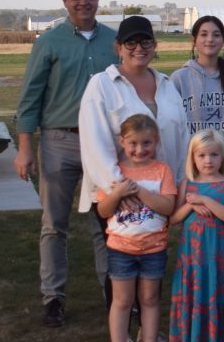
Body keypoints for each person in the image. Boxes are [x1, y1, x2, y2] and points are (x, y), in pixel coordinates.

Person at [15, 0, 117, 327]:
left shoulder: (113, 42)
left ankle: (114, 294)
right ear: (64, 0)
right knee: (54, 224)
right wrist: (26, 147)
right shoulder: (50, 42)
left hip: (103, 142)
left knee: (105, 221)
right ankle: (53, 298)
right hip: (60, 140)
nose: (82, 3)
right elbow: (30, 97)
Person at [78, 15, 189, 213]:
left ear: (154, 46)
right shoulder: (102, 85)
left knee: (157, 244)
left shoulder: (167, 85)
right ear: (118, 48)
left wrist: (177, 187)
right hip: (118, 195)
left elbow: (182, 140)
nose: (139, 48)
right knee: (116, 245)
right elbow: (95, 146)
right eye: (130, 43)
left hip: (160, 193)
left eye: (145, 42)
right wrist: (121, 190)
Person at [96, 114, 178, 342]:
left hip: (154, 249)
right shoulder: (114, 171)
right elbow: (103, 210)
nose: (139, 149)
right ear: (122, 142)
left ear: (156, 141)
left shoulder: (162, 170)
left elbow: (167, 207)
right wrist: (119, 193)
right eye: (132, 143)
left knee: (150, 299)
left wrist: (139, 191)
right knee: (122, 300)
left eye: (146, 143)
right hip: (121, 248)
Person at [167, 129, 224, 342]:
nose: (208, 160)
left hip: (217, 256)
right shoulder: (186, 184)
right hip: (192, 257)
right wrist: (191, 206)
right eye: (202, 155)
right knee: (193, 294)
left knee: (216, 293)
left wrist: (205, 200)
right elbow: (173, 218)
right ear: (193, 158)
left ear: (223, 157)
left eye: (214, 155)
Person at [171, 15, 224, 170]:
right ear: (194, 40)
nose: (210, 39)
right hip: (191, 170)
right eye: (203, 34)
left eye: (216, 35)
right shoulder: (179, 79)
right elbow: (172, 125)